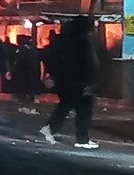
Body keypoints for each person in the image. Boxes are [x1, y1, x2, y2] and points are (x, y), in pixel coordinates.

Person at [39, 15, 100, 149]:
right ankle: (81, 139)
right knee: (83, 110)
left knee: (67, 105)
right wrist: (89, 79)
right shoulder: (81, 42)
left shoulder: (65, 40)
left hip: (67, 80)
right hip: (78, 80)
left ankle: (51, 129)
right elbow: (85, 62)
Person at [10, 35, 43, 110]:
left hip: (23, 72)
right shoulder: (31, 50)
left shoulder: (21, 49)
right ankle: (29, 100)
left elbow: (18, 61)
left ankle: (24, 101)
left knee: (23, 88)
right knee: (28, 88)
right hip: (29, 72)